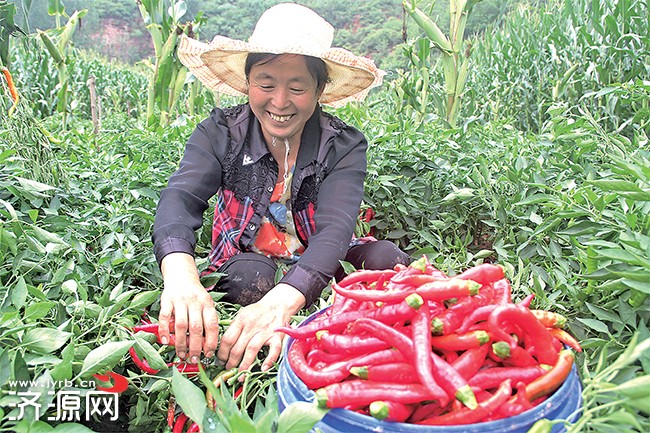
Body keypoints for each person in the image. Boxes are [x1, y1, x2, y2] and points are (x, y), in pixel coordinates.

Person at [152, 3, 411, 373]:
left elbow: (335, 230)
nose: (279, 102)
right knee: (249, 279)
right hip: (247, 257)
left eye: (297, 87)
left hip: (321, 261)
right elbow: (181, 197)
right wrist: (181, 276)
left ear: (319, 89)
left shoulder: (342, 145)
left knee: (388, 263)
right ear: (247, 82)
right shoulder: (220, 132)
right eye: (266, 84)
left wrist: (284, 300)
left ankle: (307, 311)